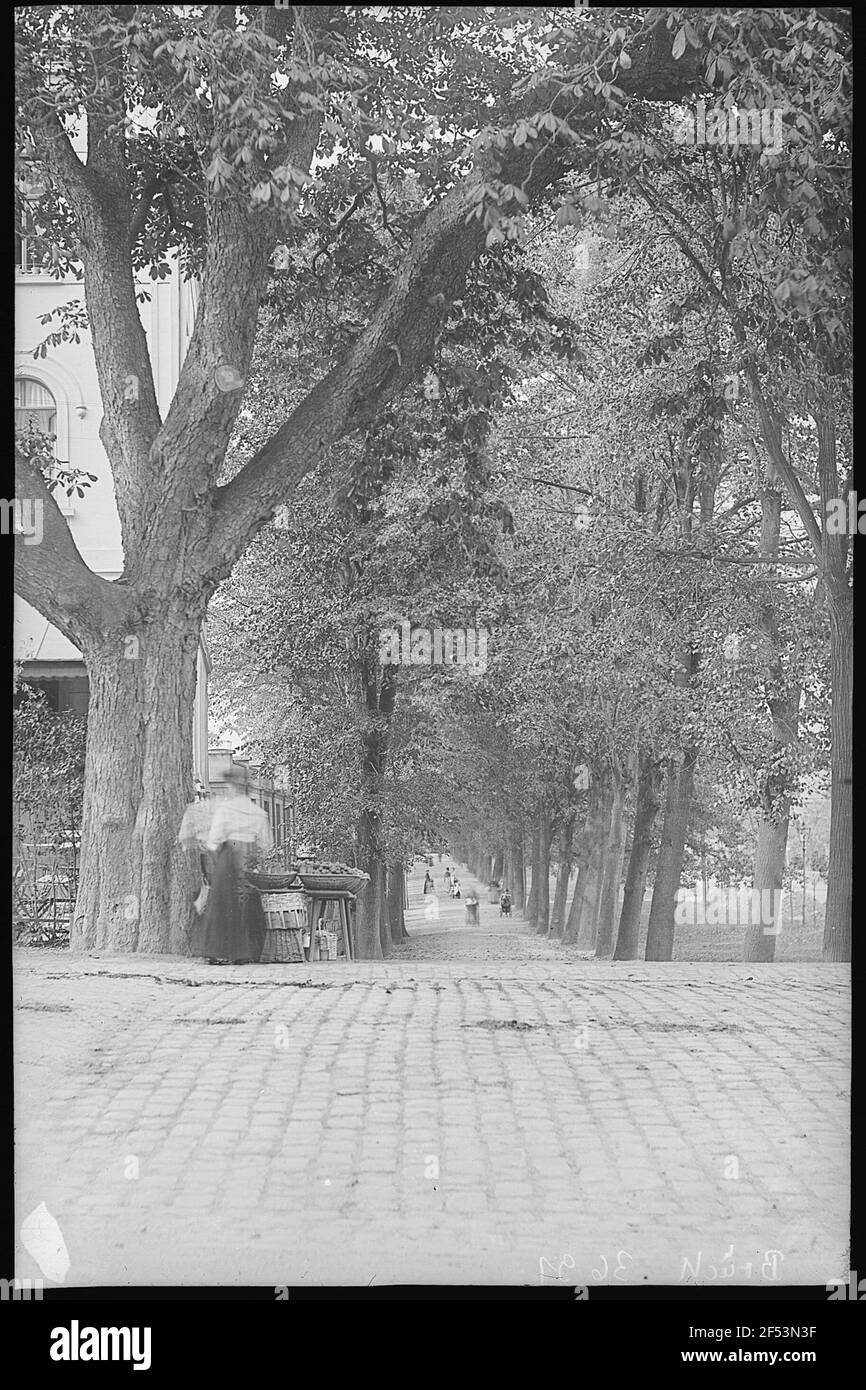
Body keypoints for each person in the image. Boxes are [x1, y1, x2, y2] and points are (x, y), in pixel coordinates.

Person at [198, 785, 271, 964]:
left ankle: (218, 951)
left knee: (221, 905)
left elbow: (214, 840)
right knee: (248, 904)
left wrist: (214, 861)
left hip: (228, 856)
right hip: (248, 861)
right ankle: (245, 952)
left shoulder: (226, 809)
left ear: (233, 789)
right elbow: (266, 844)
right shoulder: (258, 812)